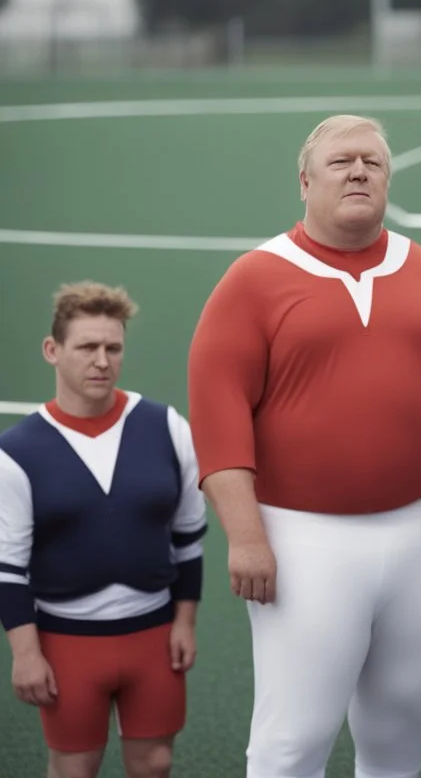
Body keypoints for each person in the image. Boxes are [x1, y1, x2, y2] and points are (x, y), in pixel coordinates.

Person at [187, 114, 421, 778]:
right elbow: (218, 422)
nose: (358, 172)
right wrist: (245, 536)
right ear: (305, 180)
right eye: (341, 162)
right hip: (301, 540)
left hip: (416, 537)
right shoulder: (253, 280)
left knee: (400, 728)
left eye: (373, 163)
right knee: (295, 738)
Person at [0, 281, 207, 778]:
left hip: (152, 634)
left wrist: (184, 621)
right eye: (87, 347)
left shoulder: (165, 426)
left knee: (155, 763)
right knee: (74, 768)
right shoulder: (16, 452)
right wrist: (25, 655)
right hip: (66, 639)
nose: (101, 361)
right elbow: (9, 567)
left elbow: (188, 534)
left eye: (112, 348)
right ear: (53, 351)